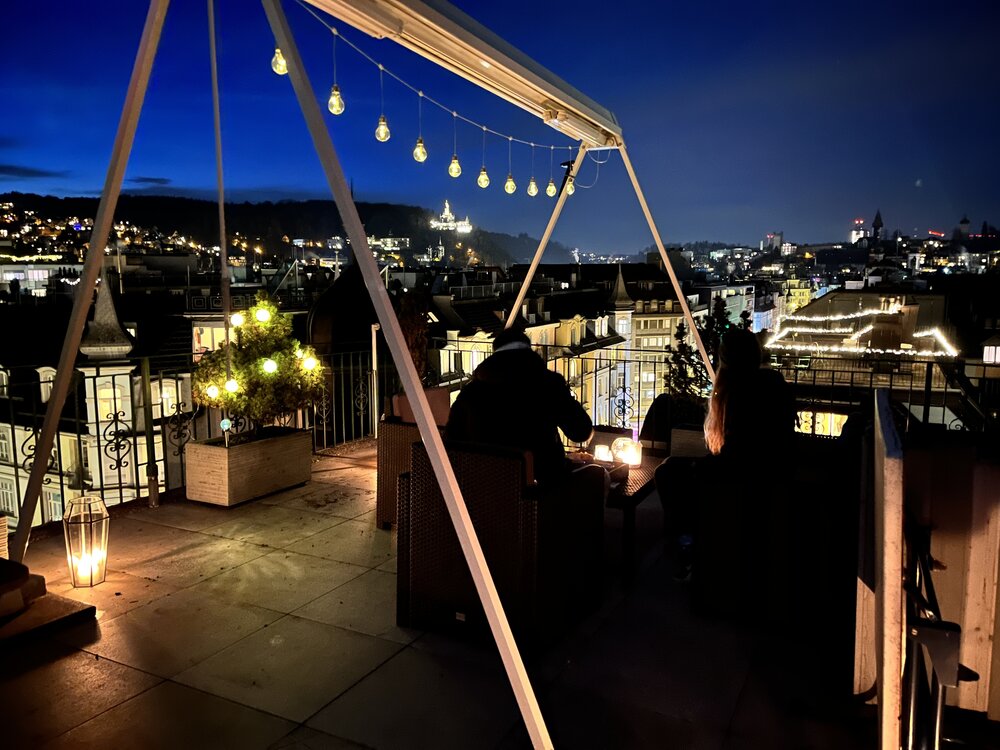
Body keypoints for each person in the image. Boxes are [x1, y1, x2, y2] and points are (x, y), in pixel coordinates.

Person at [655, 328, 796, 585]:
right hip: (774, 470)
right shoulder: (771, 382)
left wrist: (702, 466)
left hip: (746, 476)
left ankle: (689, 545)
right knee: (677, 469)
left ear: (725, 360)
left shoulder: (739, 392)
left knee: (669, 472)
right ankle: (689, 541)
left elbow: (737, 454)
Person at [446, 327, 594, 486]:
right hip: (541, 486)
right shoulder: (548, 385)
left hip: (485, 486)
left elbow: (451, 438)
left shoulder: (471, 391)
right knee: (598, 477)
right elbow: (581, 432)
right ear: (529, 353)